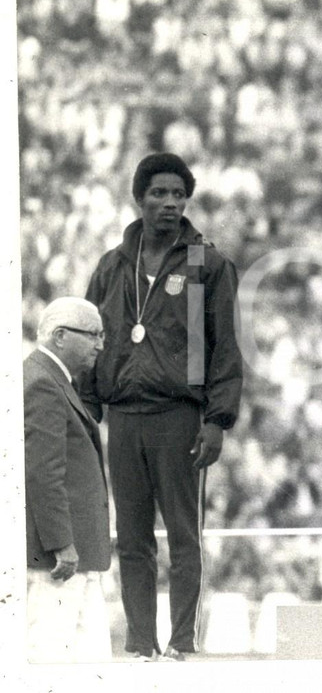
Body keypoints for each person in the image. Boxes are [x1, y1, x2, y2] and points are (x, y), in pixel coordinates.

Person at [81, 152, 244, 661]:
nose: (170, 203)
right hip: (124, 415)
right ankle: (139, 643)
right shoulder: (112, 265)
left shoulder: (206, 263)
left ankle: (180, 643)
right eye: (159, 193)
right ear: (139, 199)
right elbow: (90, 340)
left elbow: (225, 347)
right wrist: (89, 409)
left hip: (180, 416)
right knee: (130, 539)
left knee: (183, 534)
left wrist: (217, 419)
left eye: (178, 195)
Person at [24, 297, 112, 663]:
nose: (100, 344)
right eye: (93, 334)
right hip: (58, 560)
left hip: (72, 554)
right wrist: (61, 543)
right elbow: (44, 472)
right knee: (53, 662)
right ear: (60, 336)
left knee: (88, 664)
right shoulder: (42, 382)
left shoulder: (53, 379)